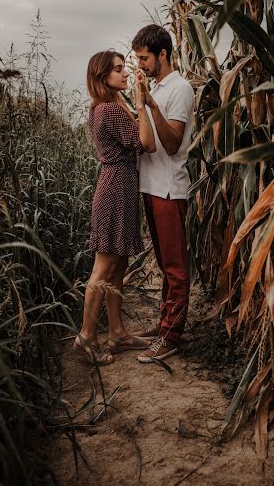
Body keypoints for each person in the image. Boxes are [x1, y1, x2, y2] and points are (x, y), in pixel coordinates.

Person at [73, 50, 156, 365]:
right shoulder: (111, 110)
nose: (124, 73)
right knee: (104, 267)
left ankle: (118, 333)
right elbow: (145, 144)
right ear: (102, 76)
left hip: (116, 186)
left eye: (124, 68)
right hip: (116, 188)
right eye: (118, 70)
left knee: (117, 265)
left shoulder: (102, 108)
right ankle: (86, 336)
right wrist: (141, 103)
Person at [131, 24, 195, 362]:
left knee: (175, 266)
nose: (139, 65)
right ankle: (164, 325)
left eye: (144, 58)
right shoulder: (157, 87)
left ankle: (172, 337)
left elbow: (171, 145)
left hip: (169, 189)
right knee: (164, 262)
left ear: (163, 55)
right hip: (151, 187)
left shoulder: (179, 89)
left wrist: (151, 105)